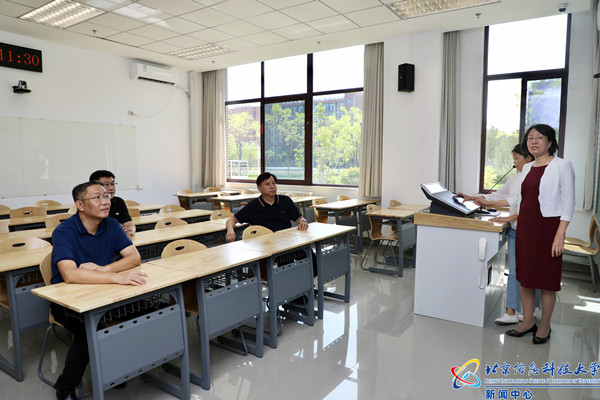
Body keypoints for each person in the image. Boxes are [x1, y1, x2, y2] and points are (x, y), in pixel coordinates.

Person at [51, 181, 146, 400]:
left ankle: (120, 368)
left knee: (147, 310)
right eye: (97, 197)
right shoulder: (64, 231)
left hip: (105, 293)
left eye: (106, 196)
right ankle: (66, 385)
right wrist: (115, 276)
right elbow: (70, 274)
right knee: (89, 331)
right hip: (68, 299)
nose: (105, 202)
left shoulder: (111, 224)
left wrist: (104, 269)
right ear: (80, 205)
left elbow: (134, 257)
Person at [504, 124, 575, 345]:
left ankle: (544, 325)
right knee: (524, 277)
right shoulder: (527, 168)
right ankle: (527, 321)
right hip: (525, 228)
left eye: (539, 138)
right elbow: (521, 200)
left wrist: (560, 235)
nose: (533, 142)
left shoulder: (562, 165)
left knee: (546, 279)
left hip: (548, 229)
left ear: (550, 142)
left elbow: (568, 203)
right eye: (530, 138)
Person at [458, 144, 534, 325]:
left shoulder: (533, 179)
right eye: (514, 159)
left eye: (517, 159)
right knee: (515, 273)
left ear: (528, 159)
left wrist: (496, 208)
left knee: (528, 273)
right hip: (515, 230)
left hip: (530, 232)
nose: (514, 163)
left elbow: (518, 201)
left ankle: (525, 312)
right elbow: (498, 195)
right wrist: (474, 198)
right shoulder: (515, 179)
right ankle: (511, 311)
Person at [225, 172, 309, 243]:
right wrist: (230, 230)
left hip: (285, 241)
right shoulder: (252, 206)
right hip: (264, 244)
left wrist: (303, 221)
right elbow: (231, 220)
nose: (272, 186)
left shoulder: (285, 201)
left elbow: (300, 218)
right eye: (267, 184)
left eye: (273, 183)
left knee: (307, 250)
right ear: (259, 188)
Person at [89, 170, 135, 238]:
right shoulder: (89, 204)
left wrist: (129, 232)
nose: (111, 188)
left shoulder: (119, 201)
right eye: (106, 184)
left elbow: (129, 223)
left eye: (112, 184)